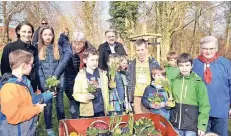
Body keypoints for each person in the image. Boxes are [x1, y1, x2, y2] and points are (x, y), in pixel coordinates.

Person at [0, 50, 48, 136]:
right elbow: (13, 117)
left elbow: (24, 104)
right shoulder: (9, 88)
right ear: (23, 66)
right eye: (31, 64)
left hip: (25, 130)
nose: (32, 66)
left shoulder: (23, 81)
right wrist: (36, 109)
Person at [193, 36, 231, 136]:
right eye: (205, 48)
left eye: (211, 49)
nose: (208, 51)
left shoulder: (226, 64)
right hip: (200, 111)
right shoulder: (194, 64)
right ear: (200, 49)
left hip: (220, 110)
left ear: (216, 49)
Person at [170, 53, 210, 136]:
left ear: (191, 66)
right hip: (176, 124)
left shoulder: (198, 82)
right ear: (177, 66)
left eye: (187, 65)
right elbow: (171, 99)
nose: (184, 68)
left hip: (191, 126)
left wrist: (202, 125)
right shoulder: (175, 81)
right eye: (181, 65)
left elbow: (204, 105)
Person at [36, 26, 65, 136]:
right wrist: (44, 85)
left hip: (58, 82)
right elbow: (39, 69)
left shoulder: (58, 48)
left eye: (50, 34)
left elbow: (62, 67)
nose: (48, 37)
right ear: (41, 36)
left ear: (53, 35)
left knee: (60, 105)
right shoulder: (38, 49)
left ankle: (62, 125)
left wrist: (60, 82)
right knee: (48, 106)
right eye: (45, 34)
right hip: (46, 84)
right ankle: (49, 128)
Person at [1, 21, 38, 91]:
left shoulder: (34, 49)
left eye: (29, 32)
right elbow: (4, 70)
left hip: (32, 87)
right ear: (18, 31)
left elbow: (35, 69)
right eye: (24, 31)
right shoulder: (10, 47)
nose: (27, 34)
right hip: (15, 87)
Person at [73, 48, 109, 118]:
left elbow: (106, 92)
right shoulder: (80, 76)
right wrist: (85, 97)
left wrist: (107, 108)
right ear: (85, 60)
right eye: (92, 60)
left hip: (101, 110)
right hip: (87, 112)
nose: (95, 63)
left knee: (102, 128)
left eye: (96, 60)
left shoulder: (102, 74)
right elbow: (76, 94)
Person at [65, 31, 93, 119]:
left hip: (86, 82)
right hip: (71, 82)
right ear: (72, 42)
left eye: (80, 44)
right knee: (74, 103)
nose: (77, 46)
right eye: (75, 43)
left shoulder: (89, 50)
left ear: (84, 43)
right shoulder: (68, 51)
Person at [127, 39, 160, 114]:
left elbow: (159, 80)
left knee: (149, 120)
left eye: (142, 49)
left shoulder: (154, 63)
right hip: (137, 96)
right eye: (138, 50)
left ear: (146, 49)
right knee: (138, 120)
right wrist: (130, 98)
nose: (140, 52)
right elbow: (129, 80)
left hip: (149, 96)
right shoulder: (132, 64)